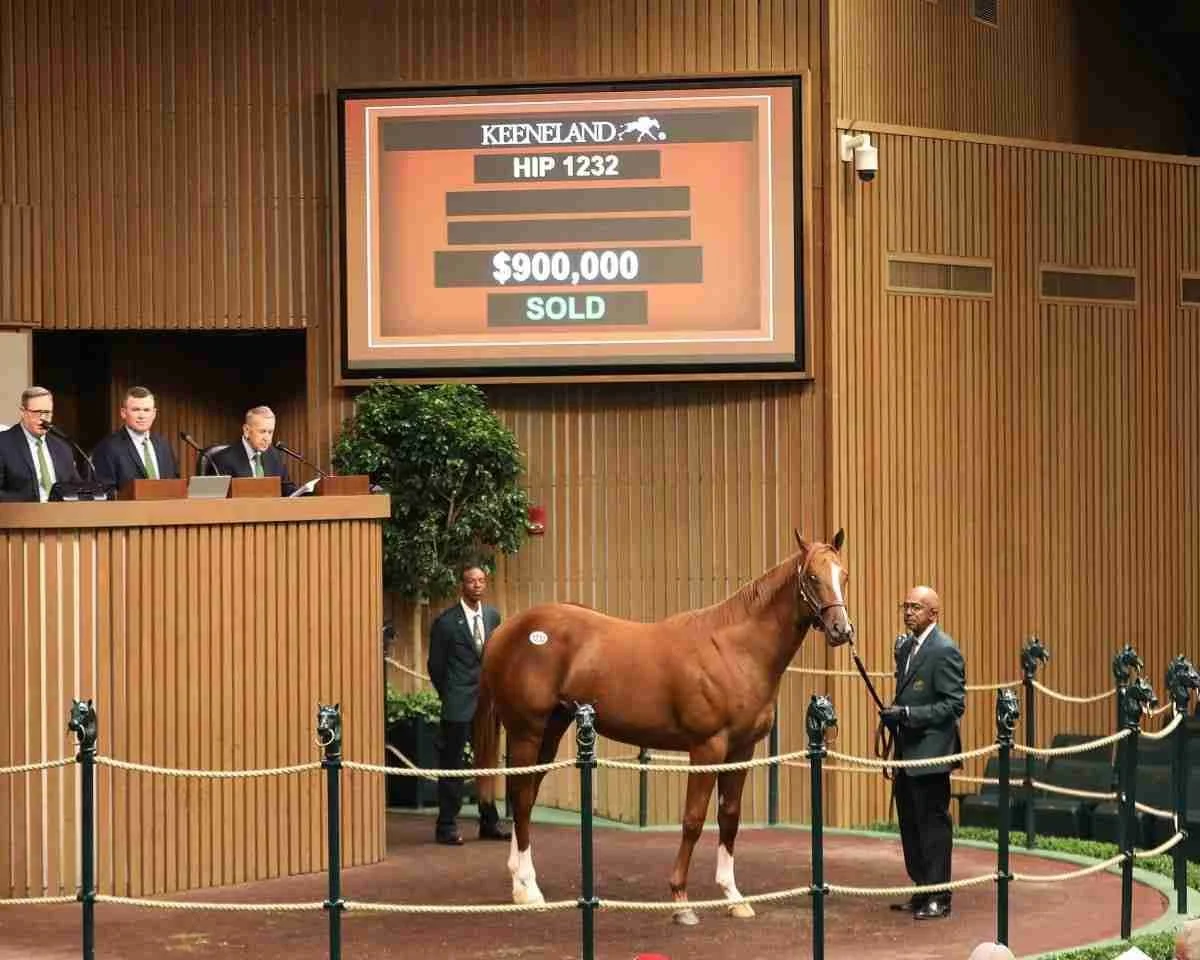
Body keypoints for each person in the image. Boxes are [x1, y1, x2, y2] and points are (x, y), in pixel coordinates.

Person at [879, 585, 966, 920]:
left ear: (934, 614)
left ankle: (939, 896)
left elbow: (954, 704)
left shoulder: (944, 650)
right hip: (905, 752)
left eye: (916, 607)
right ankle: (921, 889)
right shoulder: (906, 648)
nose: (908, 612)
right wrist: (895, 714)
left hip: (930, 754)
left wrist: (910, 715)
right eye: (906, 606)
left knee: (932, 827)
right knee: (910, 825)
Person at [426, 564, 511, 845]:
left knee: (486, 760)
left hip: (488, 704)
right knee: (452, 764)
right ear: (462, 585)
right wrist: (451, 694)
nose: (477, 585)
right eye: (471, 581)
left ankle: (489, 821)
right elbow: (436, 667)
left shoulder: (493, 617)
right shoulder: (447, 622)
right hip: (457, 704)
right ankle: (446, 825)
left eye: (481, 581)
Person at [0, 387, 81, 502]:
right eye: (37, 413)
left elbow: (75, 488)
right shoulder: (3, 443)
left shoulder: (62, 447)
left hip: (61, 517)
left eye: (47, 413)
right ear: (23, 412)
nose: (43, 419)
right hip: (19, 517)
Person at [91, 386, 179, 489]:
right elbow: (105, 490)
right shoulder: (108, 447)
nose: (142, 416)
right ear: (123, 413)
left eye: (146, 410)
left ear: (154, 414)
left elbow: (175, 482)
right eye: (136, 410)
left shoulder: (164, 445)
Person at [210, 405, 295, 495]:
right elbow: (219, 500)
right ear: (246, 430)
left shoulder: (275, 456)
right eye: (262, 431)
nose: (267, 438)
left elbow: (288, 490)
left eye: (270, 432)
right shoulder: (224, 459)